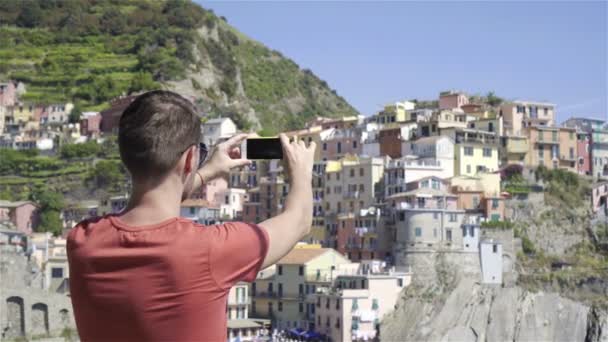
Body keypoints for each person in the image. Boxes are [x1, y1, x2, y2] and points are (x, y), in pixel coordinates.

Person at [67, 90, 315, 341]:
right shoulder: (210, 250)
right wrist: (301, 171)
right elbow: (300, 220)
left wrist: (207, 171)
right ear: (189, 160)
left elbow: (154, 198)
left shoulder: (82, 241)